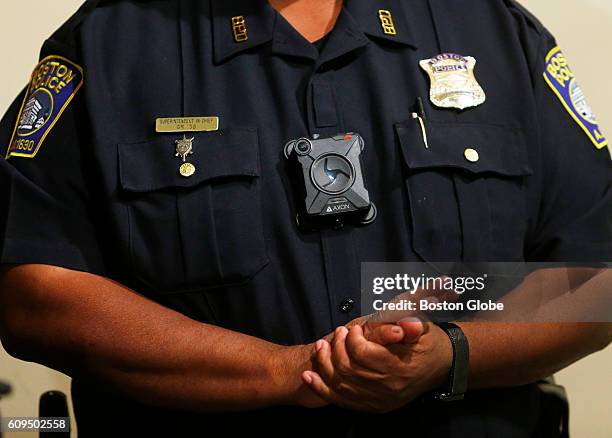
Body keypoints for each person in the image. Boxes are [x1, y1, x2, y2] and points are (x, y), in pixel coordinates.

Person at [0, 0, 610, 436]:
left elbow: (595, 277)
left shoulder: (497, 32)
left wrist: (449, 355)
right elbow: (33, 294)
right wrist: (289, 372)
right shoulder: (107, 45)